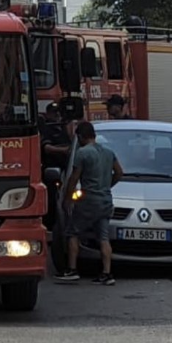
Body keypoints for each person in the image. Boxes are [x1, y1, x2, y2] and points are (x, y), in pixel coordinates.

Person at [57, 121, 124, 285]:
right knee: (103, 236)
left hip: (88, 200)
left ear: (80, 136)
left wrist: (67, 199)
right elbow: (119, 173)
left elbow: (74, 178)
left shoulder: (82, 153)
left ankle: (72, 270)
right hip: (106, 200)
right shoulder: (108, 152)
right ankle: (107, 273)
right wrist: (108, 185)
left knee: (73, 232)